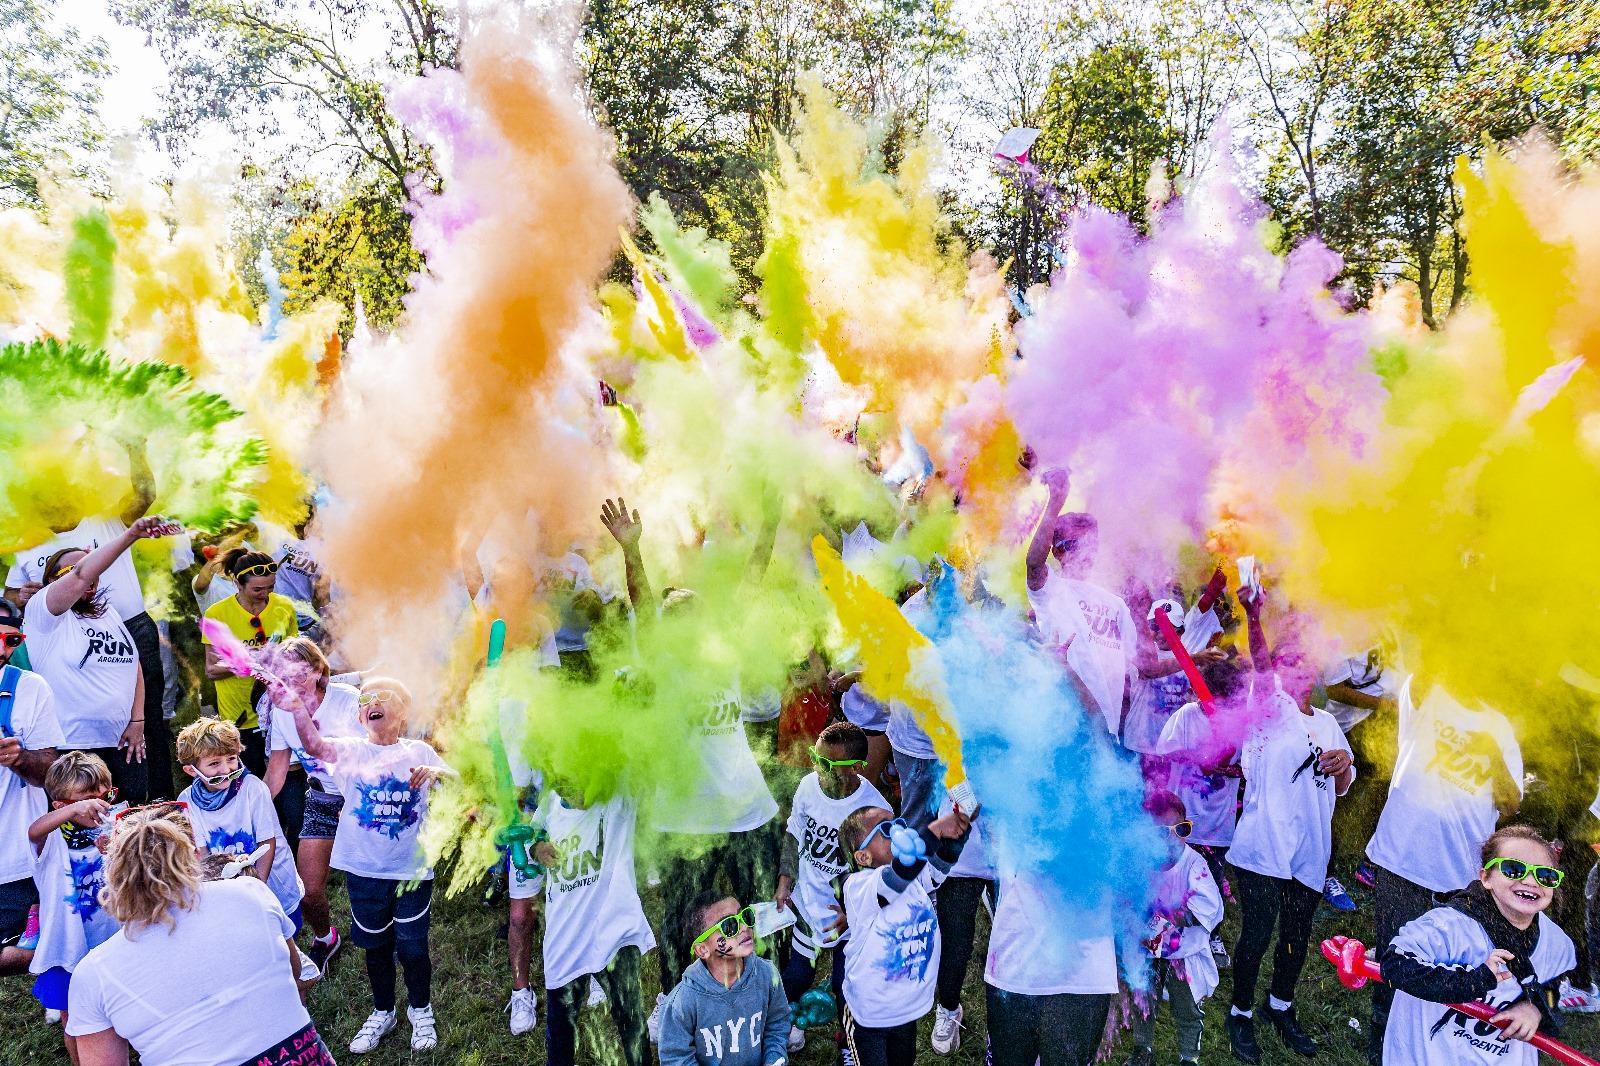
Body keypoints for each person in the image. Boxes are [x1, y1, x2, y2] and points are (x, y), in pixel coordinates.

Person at [597, 497, 781, 1024]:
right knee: (683, 917)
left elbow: (753, 579)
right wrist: (631, 549)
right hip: (686, 817)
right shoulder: (662, 666)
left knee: (755, 913)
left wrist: (767, 525)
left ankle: (761, 1003)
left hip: (746, 809)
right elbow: (641, 602)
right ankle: (673, 1004)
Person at [64, 806, 333, 1065]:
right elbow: (295, 974)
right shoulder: (252, 893)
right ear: (192, 857)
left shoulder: (93, 972)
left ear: (112, 876)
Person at [275, 675, 452, 1054]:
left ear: (403, 712)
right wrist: (296, 712)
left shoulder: (419, 752)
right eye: (368, 698)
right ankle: (384, 1010)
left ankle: (420, 1009)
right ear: (359, 715)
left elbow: (457, 784)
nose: (375, 702)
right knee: (375, 945)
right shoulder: (353, 752)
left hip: (411, 871)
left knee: (413, 947)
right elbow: (315, 745)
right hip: (364, 871)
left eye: (386, 697)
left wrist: (438, 774)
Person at [1223, 585, 1355, 1063]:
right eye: (1292, 663)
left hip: (1311, 849)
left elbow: (1341, 789)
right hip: (1264, 844)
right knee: (1258, 933)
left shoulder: (1327, 724)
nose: (1303, 671)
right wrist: (1254, 617)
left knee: (1296, 935)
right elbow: (1258, 666)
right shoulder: (1270, 709)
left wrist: (1341, 767)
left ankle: (1280, 1006)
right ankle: (1239, 1013)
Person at [1363, 677, 1522, 1061]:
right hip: (1404, 861)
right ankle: (1382, 1050)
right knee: (1394, 966)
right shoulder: (1427, 690)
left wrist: (1495, 757)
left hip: (1461, 877)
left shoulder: (1500, 726)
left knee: (1448, 967)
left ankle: (1432, 1050)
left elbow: (1511, 804)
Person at [5, 442, 173, 801]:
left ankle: (156, 800)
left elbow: (144, 497)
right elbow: (13, 598)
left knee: (148, 725)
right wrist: (26, 599)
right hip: (61, 636)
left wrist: (136, 449)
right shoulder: (28, 542)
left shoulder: (102, 518)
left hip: (126, 625)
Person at [1380, 825, 1576, 1065]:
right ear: (1486, 877)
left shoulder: (1557, 944)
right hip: (1429, 1056)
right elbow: (1394, 966)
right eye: (1513, 869)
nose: (1530, 881)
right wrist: (1475, 980)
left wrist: (1536, 1008)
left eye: (1545, 875)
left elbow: (1552, 988)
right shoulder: (1446, 926)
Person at [24, 516, 179, 804]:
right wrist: (131, 534)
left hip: (122, 744)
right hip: (73, 747)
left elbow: (134, 668)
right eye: (74, 569)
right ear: (52, 581)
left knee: (128, 823)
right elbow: (82, 575)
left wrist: (137, 721)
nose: (92, 576)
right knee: (82, 829)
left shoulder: (109, 613)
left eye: (96, 569)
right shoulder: (44, 613)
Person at [775, 721, 889, 1052]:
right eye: (816, 758)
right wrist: (785, 880)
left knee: (845, 985)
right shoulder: (809, 787)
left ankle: (847, 1045)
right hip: (809, 904)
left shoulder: (875, 811)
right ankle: (780, 1028)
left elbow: (884, 876)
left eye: (828, 764)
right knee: (795, 975)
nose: (818, 769)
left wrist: (855, 911)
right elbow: (794, 833)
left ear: (855, 767)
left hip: (848, 915)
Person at [837, 804, 971, 1066]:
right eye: (886, 830)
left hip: (906, 1009)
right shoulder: (860, 887)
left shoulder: (915, 879)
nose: (898, 830)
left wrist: (958, 832)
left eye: (899, 822)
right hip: (869, 1014)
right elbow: (901, 872)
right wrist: (933, 831)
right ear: (862, 857)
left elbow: (941, 864)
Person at [533, 782, 656, 1066]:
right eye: (565, 783)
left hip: (613, 934)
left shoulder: (618, 796)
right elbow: (532, 836)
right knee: (560, 1031)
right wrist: (537, 848)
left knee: (631, 1023)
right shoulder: (550, 803)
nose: (577, 793)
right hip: (565, 939)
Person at [262, 636, 361, 972]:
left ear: (319, 670)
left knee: (373, 880)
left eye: (298, 674)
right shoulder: (281, 709)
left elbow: (366, 758)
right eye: (283, 676)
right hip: (322, 797)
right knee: (309, 888)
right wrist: (249, 808)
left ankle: (385, 934)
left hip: (362, 799)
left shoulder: (347, 700)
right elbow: (277, 770)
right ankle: (325, 937)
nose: (290, 683)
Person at [28, 752, 121, 1061]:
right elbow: (34, 830)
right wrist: (75, 811)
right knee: (75, 1021)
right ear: (61, 807)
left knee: (115, 1010)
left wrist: (118, 846)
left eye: (105, 796)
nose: (100, 807)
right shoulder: (52, 839)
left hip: (111, 942)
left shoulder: (112, 831)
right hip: (69, 949)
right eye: (87, 801)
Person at [173, 718, 305, 937]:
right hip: (227, 888)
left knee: (285, 935)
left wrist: (257, 890)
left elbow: (267, 842)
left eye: (231, 759)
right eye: (214, 763)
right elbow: (202, 853)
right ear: (191, 770)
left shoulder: (253, 789)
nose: (226, 769)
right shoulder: (186, 801)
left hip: (271, 880)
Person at [1125, 791, 1225, 1066]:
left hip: (1184, 951)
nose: (1172, 838)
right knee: (1144, 997)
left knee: (1187, 1006)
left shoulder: (1194, 864)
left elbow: (1211, 907)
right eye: (1160, 832)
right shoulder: (1142, 862)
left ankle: (1188, 1056)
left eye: (1180, 830)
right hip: (1149, 947)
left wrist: (1176, 910)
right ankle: (1142, 1049)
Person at [0, 598, 63, 976]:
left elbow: (50, 773)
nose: (6, 651)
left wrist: (19, 758)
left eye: (14, 641)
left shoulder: (28, 688)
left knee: (29, 949)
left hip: (15, 858)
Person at [659, 892, 791, 1066]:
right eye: (729, 926)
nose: (744, 927)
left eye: (745, 916)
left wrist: (774, 1059)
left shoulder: (767, 975)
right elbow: (675, 1058)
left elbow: (777, 1024)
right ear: (703, 950)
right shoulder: (681, 1003)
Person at [201, 548, 298, 775]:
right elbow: (212, 670)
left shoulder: (284, 607)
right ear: (238, 583)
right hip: (239, 716)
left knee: (285, 782)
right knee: (250, 780)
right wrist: (247, 662)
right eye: (257, 589)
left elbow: (294, 657)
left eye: (270, 587)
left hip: (279, 713)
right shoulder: (217, 614)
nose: (265, 594)